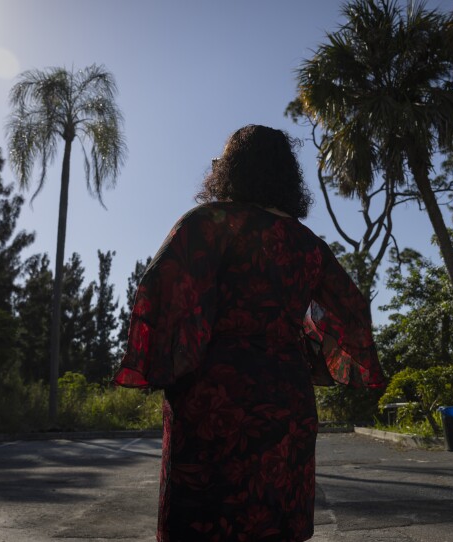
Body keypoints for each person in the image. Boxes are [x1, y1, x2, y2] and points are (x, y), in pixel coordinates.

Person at [113, 124, 386, 542]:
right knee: (273, 516)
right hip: (286, 394)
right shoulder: (308, 243)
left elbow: (158, 288)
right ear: (285, 175)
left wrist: (173, 359)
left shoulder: (207, 222)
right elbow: (351, 309)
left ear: (232, 170)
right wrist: (312, 349)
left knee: (206, 517)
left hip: (214, 393)